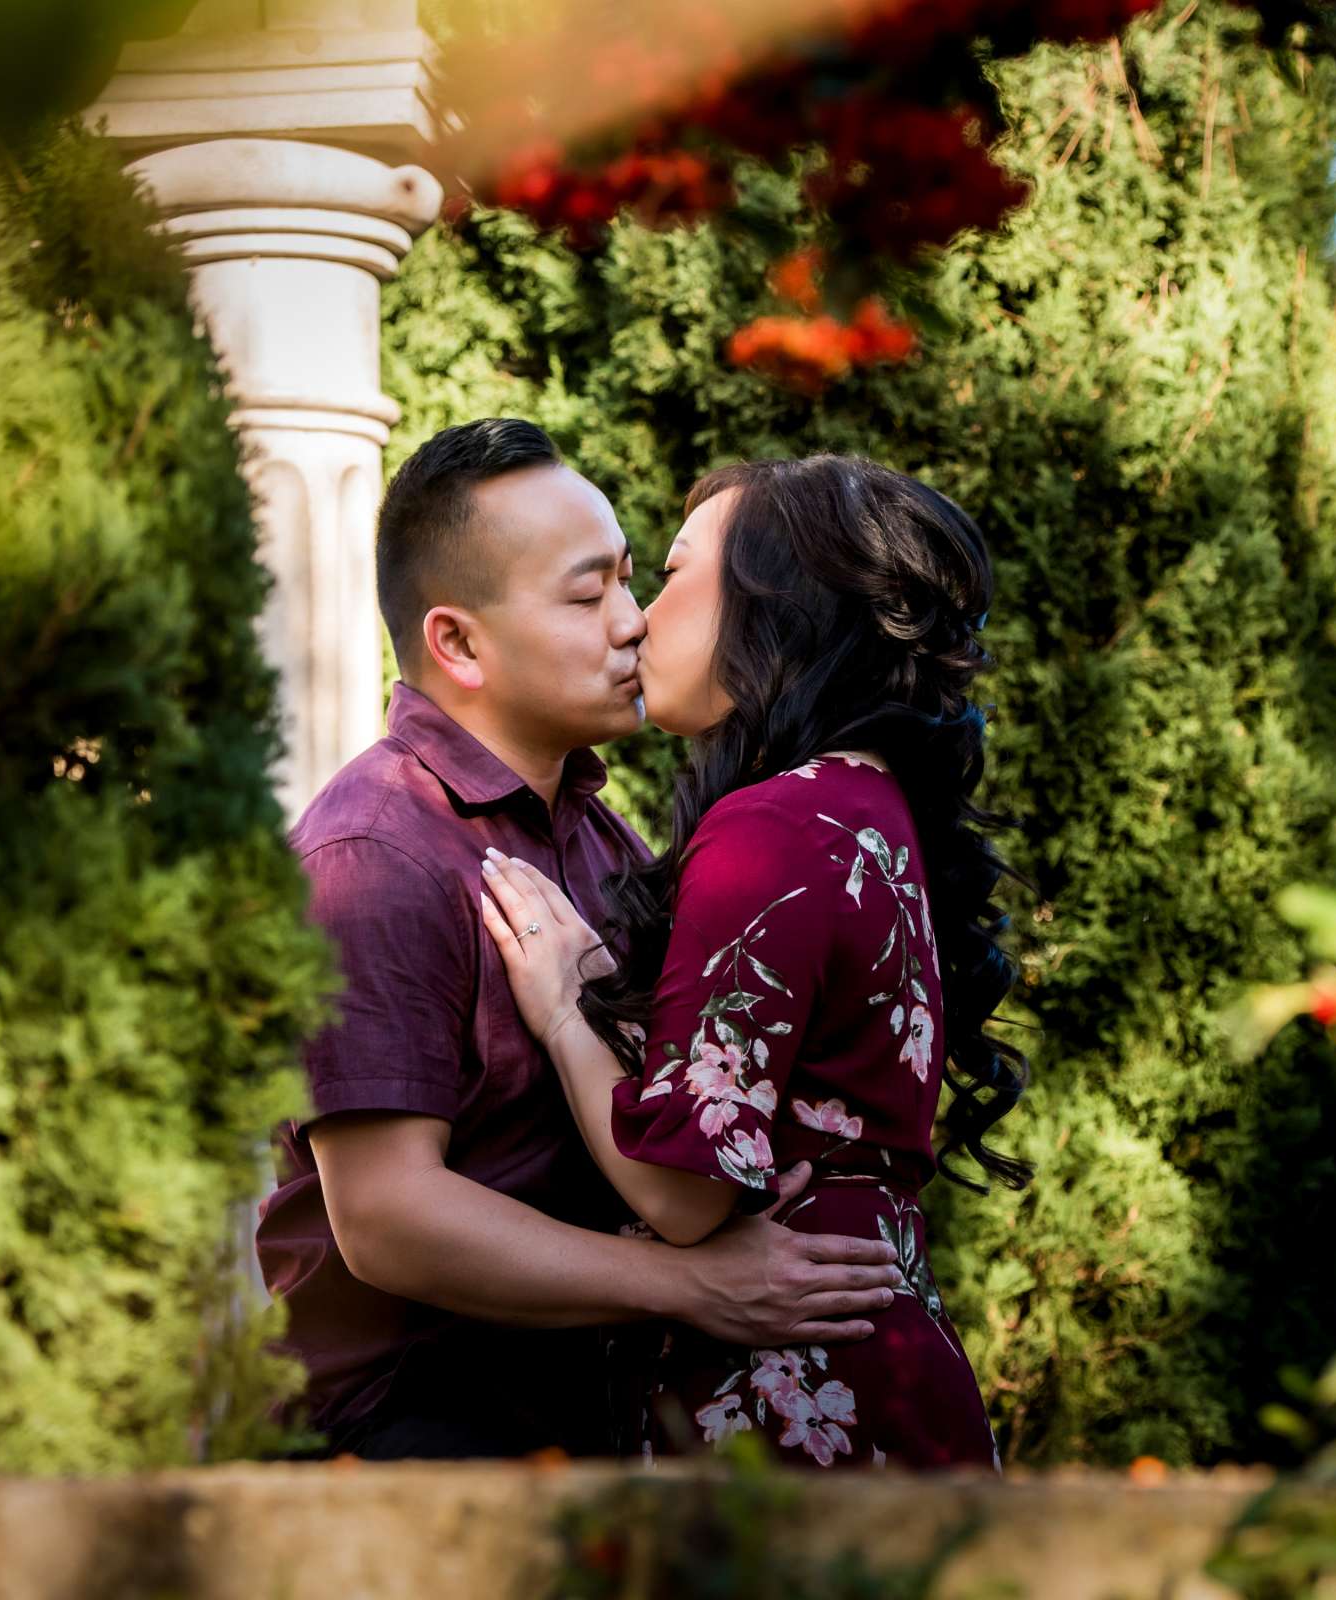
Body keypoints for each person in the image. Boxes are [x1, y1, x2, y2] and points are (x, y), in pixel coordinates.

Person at [256, 421, 909, 1461]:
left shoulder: (605, 838)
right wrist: (697, 1282)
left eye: (629, 581)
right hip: (409, 1441)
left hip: (584, 1417)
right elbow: (384, 1214)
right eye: (586, 593)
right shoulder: (376, 850)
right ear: (458, 642)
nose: (633, 623)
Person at [475, 454, 1029, 1469]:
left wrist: (561, 1013)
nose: (638, 619)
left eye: (675, 573)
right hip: (886, 1381)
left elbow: (684, 1196)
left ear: (776, 605)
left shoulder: (771, 826)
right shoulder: (869, 810)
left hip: (801, 1418)